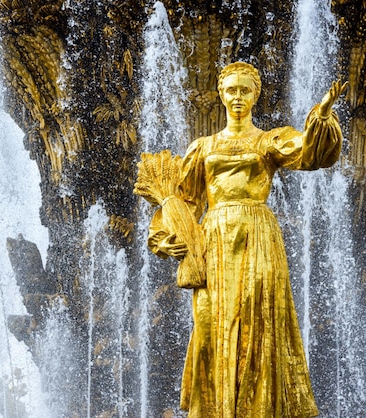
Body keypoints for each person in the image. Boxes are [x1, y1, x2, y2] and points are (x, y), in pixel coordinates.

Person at [147, 61, 345, 417]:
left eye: (245, 90)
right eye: (231, 90)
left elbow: (310, 153)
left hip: (257, 235)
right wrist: (164, 240)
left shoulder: (268, 141)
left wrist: (323, 114)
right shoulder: (203, 148)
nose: (237, 97)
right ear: (220, 94)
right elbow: (185, 202)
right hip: (213, 241)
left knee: (258, 326)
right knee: (207, 328)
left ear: (256, 95)